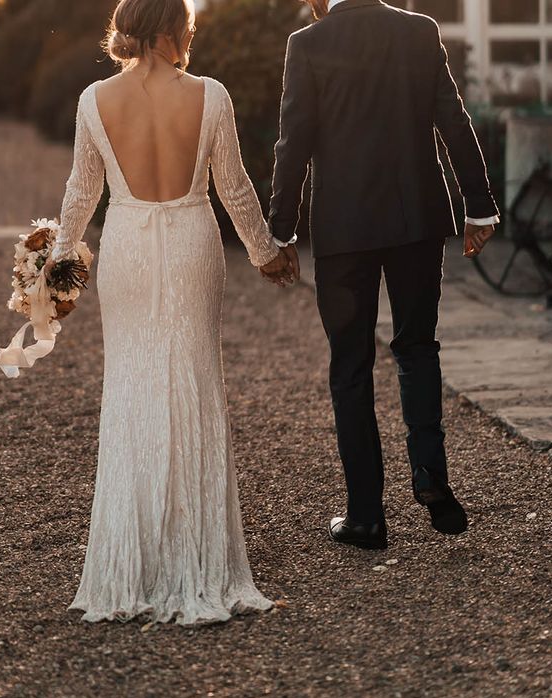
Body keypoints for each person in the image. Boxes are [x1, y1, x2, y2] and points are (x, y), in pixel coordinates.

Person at [44, 0, 296, 625]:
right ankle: (198, 561)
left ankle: (132, 565)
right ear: (164, 33)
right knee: (193, 384)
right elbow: (234, 187)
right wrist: (267, 254)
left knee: (130, 387)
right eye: (185, 27)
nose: (191, 35)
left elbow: (82, 194)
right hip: (189, 242)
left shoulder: (93, 100)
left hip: (128, 245)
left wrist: (55, 273)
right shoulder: (211, 95)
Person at [268, 0, 499, 550]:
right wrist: (480, 205)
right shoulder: (420, 31)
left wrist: (278, 232)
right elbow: (453, 118)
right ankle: (429, 473)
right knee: (418, 347)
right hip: (416, 219)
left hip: (345, 233)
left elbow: (292, 141)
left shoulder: (309, 44)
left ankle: (367, 515)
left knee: (351, 365)